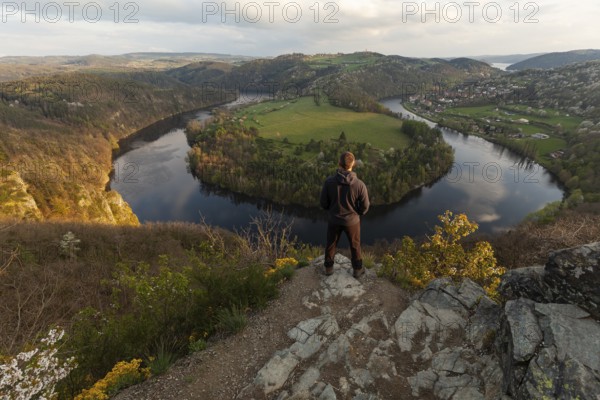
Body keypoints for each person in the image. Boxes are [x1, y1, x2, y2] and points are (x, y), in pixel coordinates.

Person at [320, 151, 370, 278]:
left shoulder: (329, 182)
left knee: (331, 243)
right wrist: (357, 213)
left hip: (334, 219)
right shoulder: (359, 184)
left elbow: (323, 203)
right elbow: (365, 206)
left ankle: (329, 268)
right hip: (352, 221)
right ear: (353, 164)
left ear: (339, 164)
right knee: (355, 245)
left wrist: (332, 210)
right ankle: (357, 270)